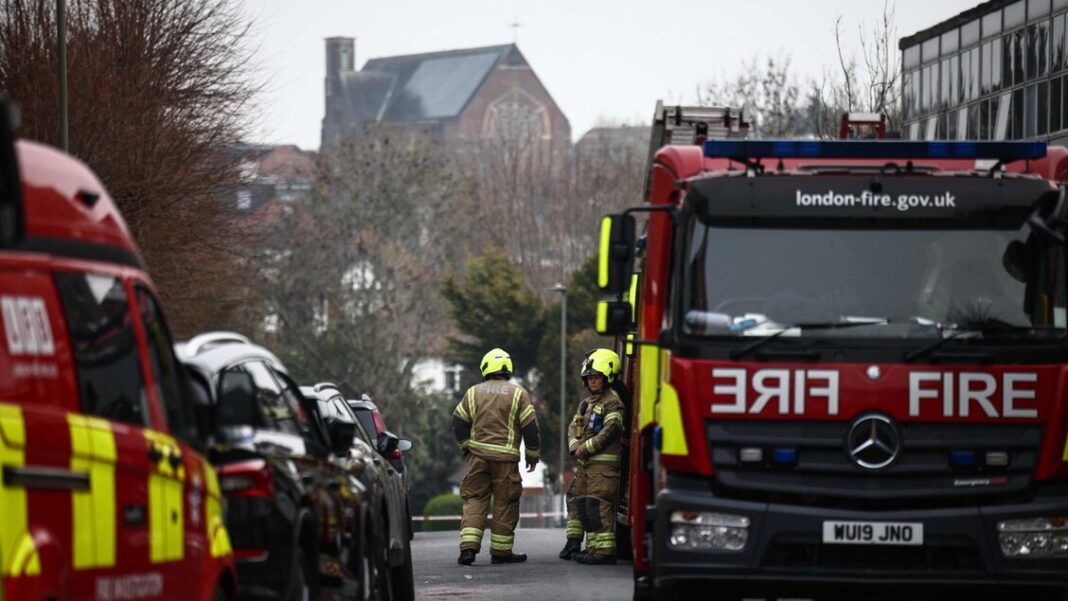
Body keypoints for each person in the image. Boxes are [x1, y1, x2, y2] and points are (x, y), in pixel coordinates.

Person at [452, 347, 540, 565]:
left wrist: (466, 447)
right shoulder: (519, 394)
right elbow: (531, 428)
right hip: (506, 462)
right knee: (505, 503)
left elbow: (459, 421)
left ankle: (468, 550)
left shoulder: (473, 393)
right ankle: (501, 552)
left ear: (485, 368)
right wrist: (532, 456)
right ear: (507, 370)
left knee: (475, 499)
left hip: (478, 458)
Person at [559, 348, 624, 565]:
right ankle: (592, 547)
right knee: (585, 505)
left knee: (598, 504)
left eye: (596, 377)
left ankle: (605, 551)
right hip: (586, 465)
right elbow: (572, 427)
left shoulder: (612, 402)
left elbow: (611, 430)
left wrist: (584, 448)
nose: (592, 381)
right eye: (589, 378)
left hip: (603, 466)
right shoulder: (586, 404)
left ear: (607, 377)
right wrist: (574, 445)